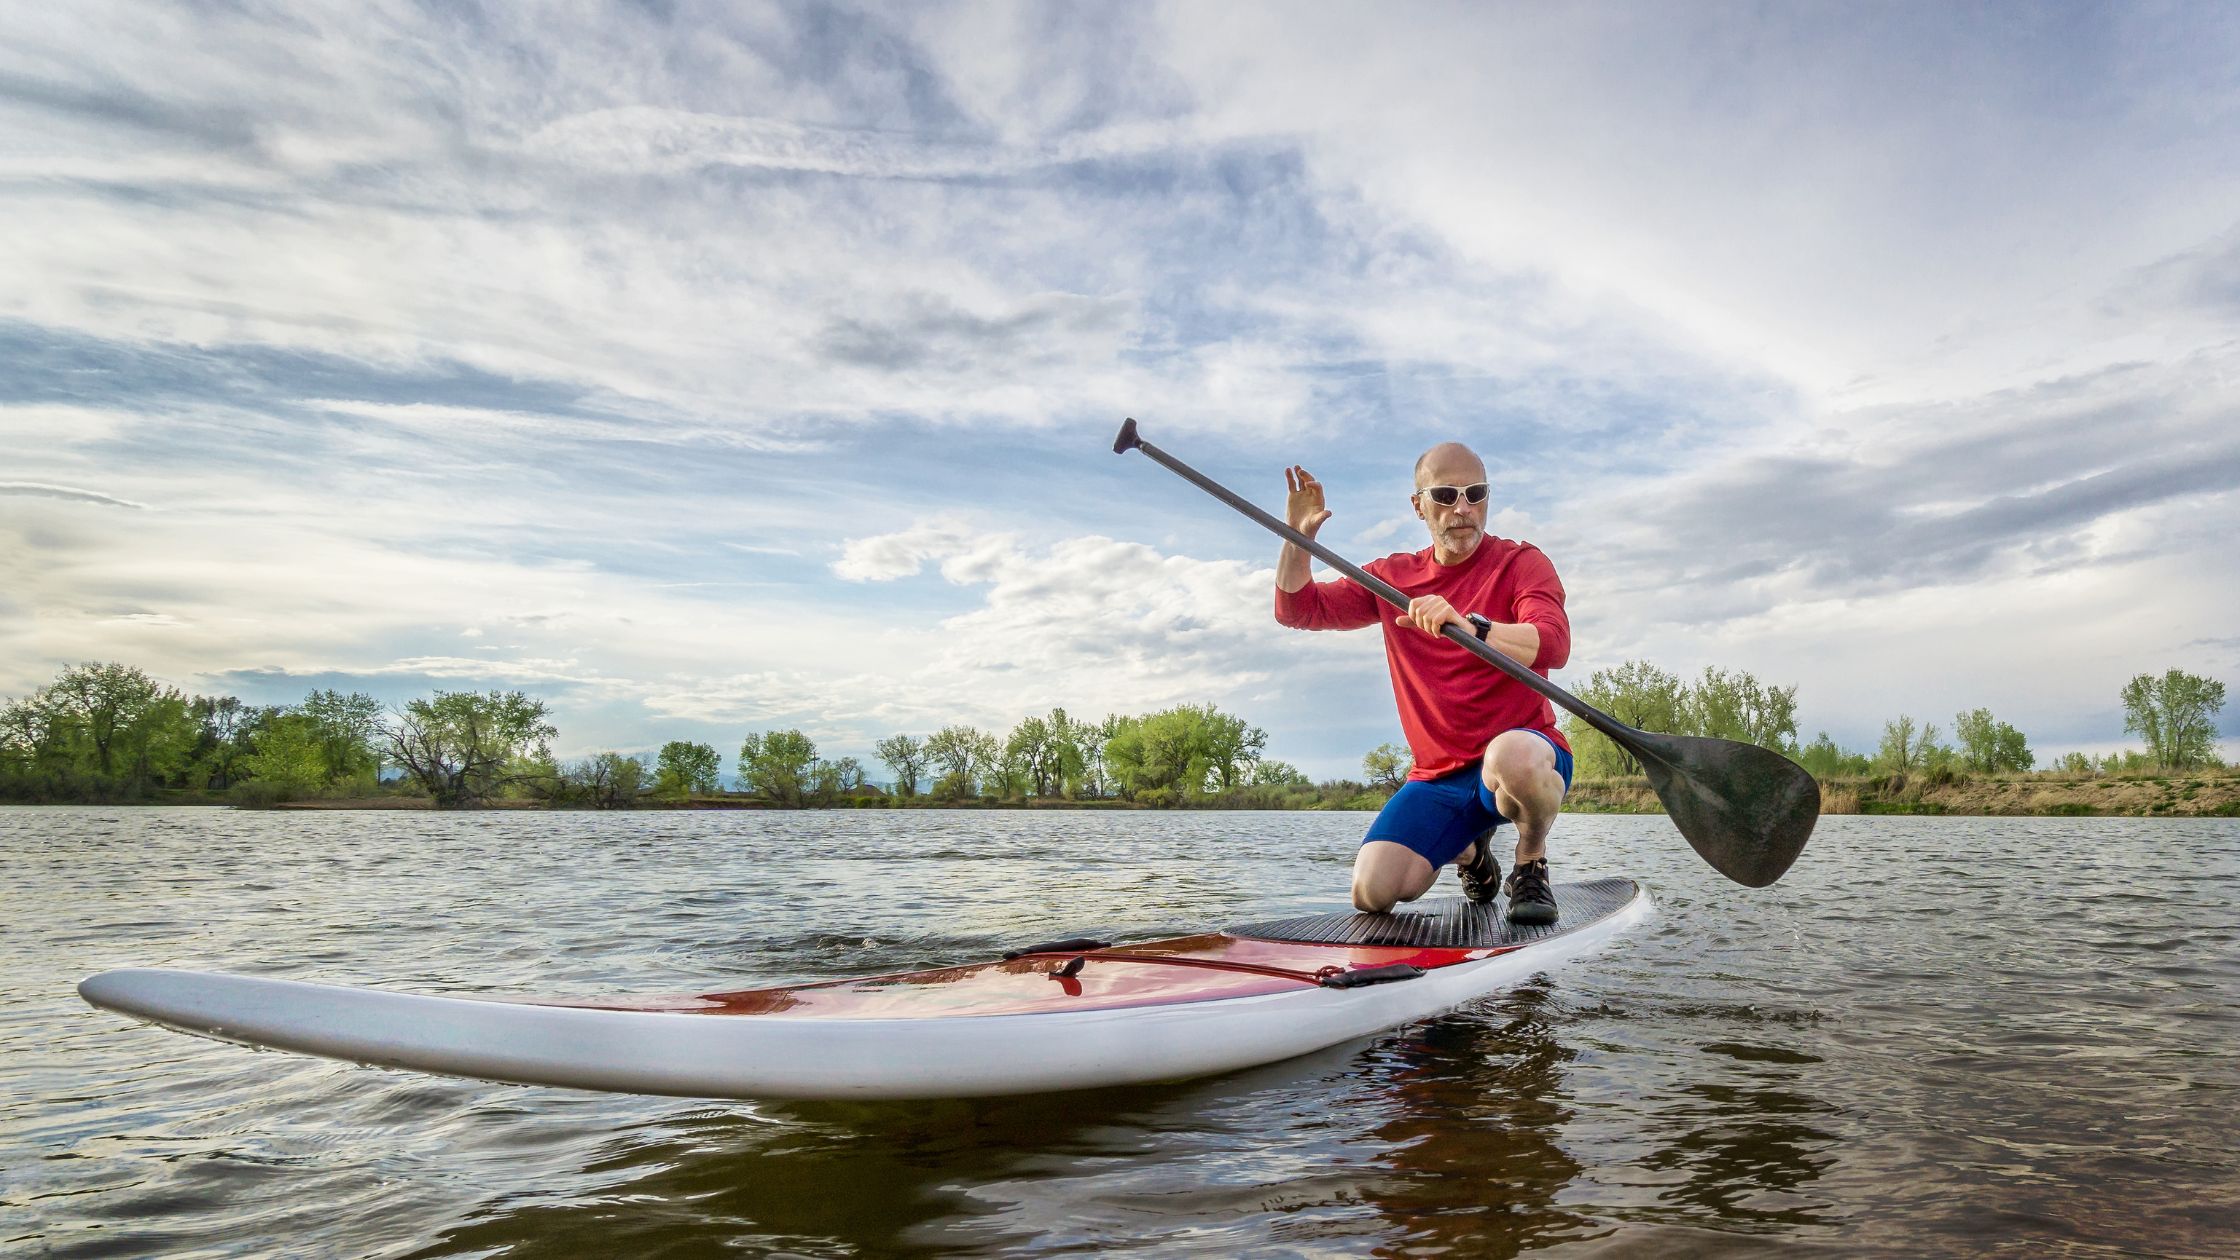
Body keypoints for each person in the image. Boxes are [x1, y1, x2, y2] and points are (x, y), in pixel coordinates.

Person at [1274, 443, 1573, 922]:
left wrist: (1470, 624)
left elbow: (1554, 643)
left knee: (1510, 755)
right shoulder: (1392, 579)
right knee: (1372, 893)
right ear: (1419, 505)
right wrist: (1296, 538)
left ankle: (1530, 861)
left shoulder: (1521, 563)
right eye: (1445, 494)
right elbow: (1297, 610)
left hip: (1526, 757)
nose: (1463, 508)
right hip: (1438, 776)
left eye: (1475, 494)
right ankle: (1474, 854)